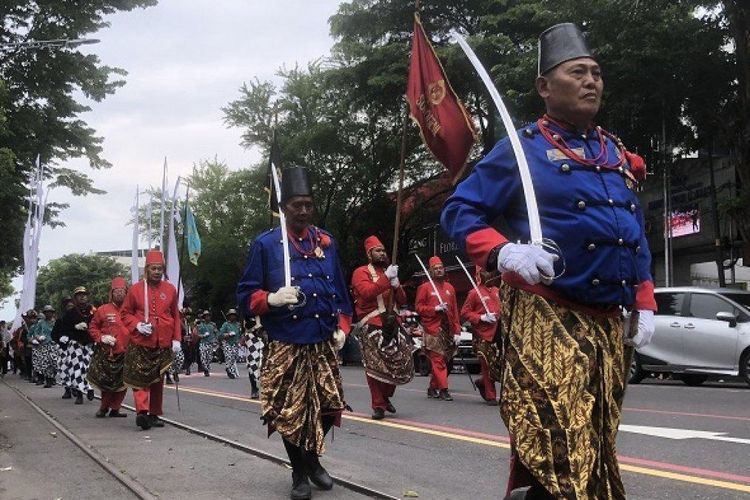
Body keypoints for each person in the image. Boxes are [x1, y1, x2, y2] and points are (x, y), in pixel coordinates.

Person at [441, 23, 656, 500]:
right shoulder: (521, 151)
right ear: (544, 86)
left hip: (607, 324)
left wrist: (645, 299)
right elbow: (459, 210)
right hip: (548, 313)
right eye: (577, 71)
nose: (591, 81)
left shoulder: (614, 152)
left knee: (595, 443)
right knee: (558, 440)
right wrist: (503, 251)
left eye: (596, 73)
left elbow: (631, 232)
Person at [237, 165, 352, 500]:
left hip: (322, 340)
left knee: (330, 405)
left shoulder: (327, 242)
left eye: (308, 204)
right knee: (288, 412)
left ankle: (312, 458)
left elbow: (341, 293)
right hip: (286, 341)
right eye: (296, 204)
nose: (303, 210)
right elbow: (245, 297)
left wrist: (342, 326)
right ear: (284, 207)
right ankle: (300, 472)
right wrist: (270, 299)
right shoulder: (266, 245)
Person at [350, 235, 413, 420]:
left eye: (384, 250)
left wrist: (396, 284)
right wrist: (386, 278)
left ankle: (385, 397)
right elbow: (367, 293)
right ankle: (378, 404)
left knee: (401, 360)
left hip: (393, 323)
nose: (382, 253)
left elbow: (402, 300)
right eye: (378, 250)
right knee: (375, 366)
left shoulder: (390, 272)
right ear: (369, 254)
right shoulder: (360, 272)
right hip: (372, 324)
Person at [121, 250, 182, 431]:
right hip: (141, 342)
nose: (157, 272)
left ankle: (154, 413)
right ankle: (142, 412)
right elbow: (125, 314)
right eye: (153, 268)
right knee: (140, 378)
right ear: (146, 269)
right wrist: (137, 325)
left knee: (158, 380)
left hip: (162, 342)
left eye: (160, 269)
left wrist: (177, 339)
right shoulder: (135, 289)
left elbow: (176, 316)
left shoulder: (170, 289)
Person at [415, 256, 461, 401]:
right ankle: (444, 389)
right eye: (435, 269)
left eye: (440, 267)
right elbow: (418, 308)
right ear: (430, 271)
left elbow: (454, 311)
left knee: (445, 360)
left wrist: (457, 330)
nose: (439, 270)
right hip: (432, 328)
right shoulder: (425, 287)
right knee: (438, 359)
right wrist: (434, 309)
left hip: (447, 329)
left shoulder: (450, 288)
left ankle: (432, 387)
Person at [87, 277, 130, 418]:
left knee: (123, 383)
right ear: (111, 293)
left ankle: (115, 408)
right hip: (107, 353)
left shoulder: (132, 310)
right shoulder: (102, 309)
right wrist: (101, 338)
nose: (119, 294)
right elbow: (93, 327)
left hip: (127, 352)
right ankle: (104, 407)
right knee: (106, 383)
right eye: (116, 291)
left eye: (122, 291)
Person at [460, 268, 501, 405]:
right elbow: (465, 312)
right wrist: (481, 317)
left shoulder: (497, 291)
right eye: (485, 272)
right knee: (486, 364)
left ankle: (483, 381)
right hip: (482, 334)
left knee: (496, 365)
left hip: (497, 333)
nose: (488, 275)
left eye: (490, 272)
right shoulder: (474, 293)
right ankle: (491, 395)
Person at [53, 288, 96, 405]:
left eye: (84, 295)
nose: (82, 297)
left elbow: (98, 326)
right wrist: (74, 328)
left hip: (89, 344)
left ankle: (89, 388)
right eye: (79, 295)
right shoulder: (70, 313)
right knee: (76, 369)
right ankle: (80, 394)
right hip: (75, 344)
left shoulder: (93, 311)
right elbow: (64, 330)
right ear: (75, 297)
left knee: (87, 369)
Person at [30, 305, 58, 388]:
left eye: (50, 312)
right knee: (46, 363)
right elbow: (35, 333)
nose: (48, 314)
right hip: (44, 344)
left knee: (54, 362)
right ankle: (48, 380)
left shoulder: (56, 322)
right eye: (46, 312)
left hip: (54, 344)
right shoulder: (41, 323)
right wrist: (38, 337)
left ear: (53, 313)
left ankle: (52, 376)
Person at [244, 316, 265, 399]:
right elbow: (246, 326)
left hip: (264, 337)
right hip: (251, 338)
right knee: (252, 364)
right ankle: (254, 388)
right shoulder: (247, 311)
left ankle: (266, 388)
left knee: (264, 364)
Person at [218, 309, 242, 379]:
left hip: (235, 343)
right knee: (229, 356)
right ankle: (230, 371)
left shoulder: (238, 325)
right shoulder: (226, 324)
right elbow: (220, 335)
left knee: (234, 357)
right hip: (227, 343)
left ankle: (228, 367)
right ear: (228, 316)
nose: (233, 317)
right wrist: (228, 334)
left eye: (234, 315)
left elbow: (240, 334)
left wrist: (240, 341)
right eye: (231, 315)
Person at [196, 310, 218, 376]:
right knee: (203, 357)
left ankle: (207, 367)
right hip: (203, 343)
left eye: (208, 316)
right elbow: (197, 334)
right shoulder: (200, 325)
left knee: (209, 357)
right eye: (206, 316)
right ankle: (205, 369)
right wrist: (203, 335)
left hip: (210, 343)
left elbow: (216, 333)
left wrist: (215, 340)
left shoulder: (213, 325)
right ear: (204, 317)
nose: (207, 317)